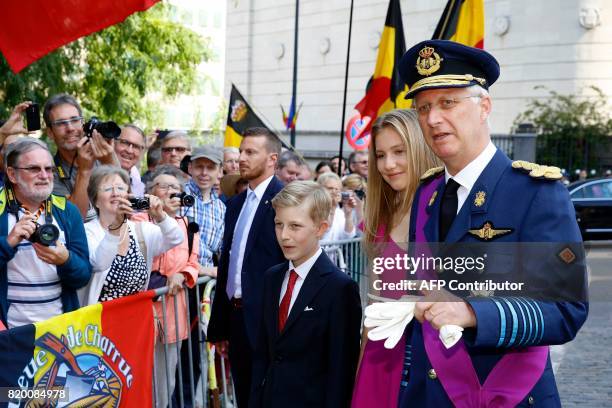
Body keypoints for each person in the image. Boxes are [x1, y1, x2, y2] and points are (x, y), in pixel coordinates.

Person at [392, 40, 586, 407]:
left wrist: (471, 313)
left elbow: (566, 309)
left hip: (507, 393)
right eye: (423, 108)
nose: (433, 119)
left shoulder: (536, 192)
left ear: (484, 107)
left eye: (448, 103)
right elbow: (424, 284)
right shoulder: (427, 193)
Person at [350, 109, 440, 407]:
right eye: (381, 155)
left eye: (399, 152)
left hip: (433, 358)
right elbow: (374, 304)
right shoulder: (381, 214)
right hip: (381, 356)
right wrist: (361, 366)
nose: (388, 165)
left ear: (420, 147)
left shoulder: (444, 207)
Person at [250, 181, 362, 408]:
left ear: (321, 228)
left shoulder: (340, 288)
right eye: (278, 224)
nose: (284, 235)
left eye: (295, 226)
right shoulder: (272, 278)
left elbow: (341, 369)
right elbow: (264, 352)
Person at [207, 127, 285, 408]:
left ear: (272, 159)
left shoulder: (285, 200)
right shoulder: (236, 203)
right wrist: (221, 326)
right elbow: (229, 263)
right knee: (243, 396)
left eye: (250, 152)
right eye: (241, 151)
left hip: (270, 322)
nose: (241, 158)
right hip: (237, 321)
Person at [0, 137, 91, 328]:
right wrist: (7, 244)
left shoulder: (67, 210)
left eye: (49, 169)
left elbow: (83, 276)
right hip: (9, 333)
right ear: (12, 174)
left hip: (58, 330)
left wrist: (66, 260)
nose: (44, 175)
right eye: (34, 169)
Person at [131, 165, 200, 408]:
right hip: (140, 310)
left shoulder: (189, 227)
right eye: (164, 186)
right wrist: (159, 215)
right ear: (151, 192)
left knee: (166, 377)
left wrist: (182, 274)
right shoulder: (137, 219)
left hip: (172, 312)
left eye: (176, 188)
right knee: (137, 372)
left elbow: (194, 262)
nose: (171, 192)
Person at [79, 165, 183, 305]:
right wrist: (116, 226)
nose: (115, 193)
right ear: (96, 200)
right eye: (108, 189)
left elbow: (176, 238)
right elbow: (99, 264)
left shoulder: (141, 230)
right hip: (100, 320)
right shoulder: (86, 231)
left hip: (135, 318)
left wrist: (160, 216)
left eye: (121, 188)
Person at [43, 94, 117, 221]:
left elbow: (126, 203)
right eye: (61, 123)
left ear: (83, 123)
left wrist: (109, 161)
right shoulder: (47, 173)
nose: (70, 128)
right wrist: (84, 171)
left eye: (75, 120)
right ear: (50, 132)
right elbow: (74, 219)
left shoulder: (102, 155)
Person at [115, 124, 146, 196]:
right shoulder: (93, 170)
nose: (129, 151)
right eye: (125, 143)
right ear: (113, 142)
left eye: (136, 146)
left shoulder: (138, 183)